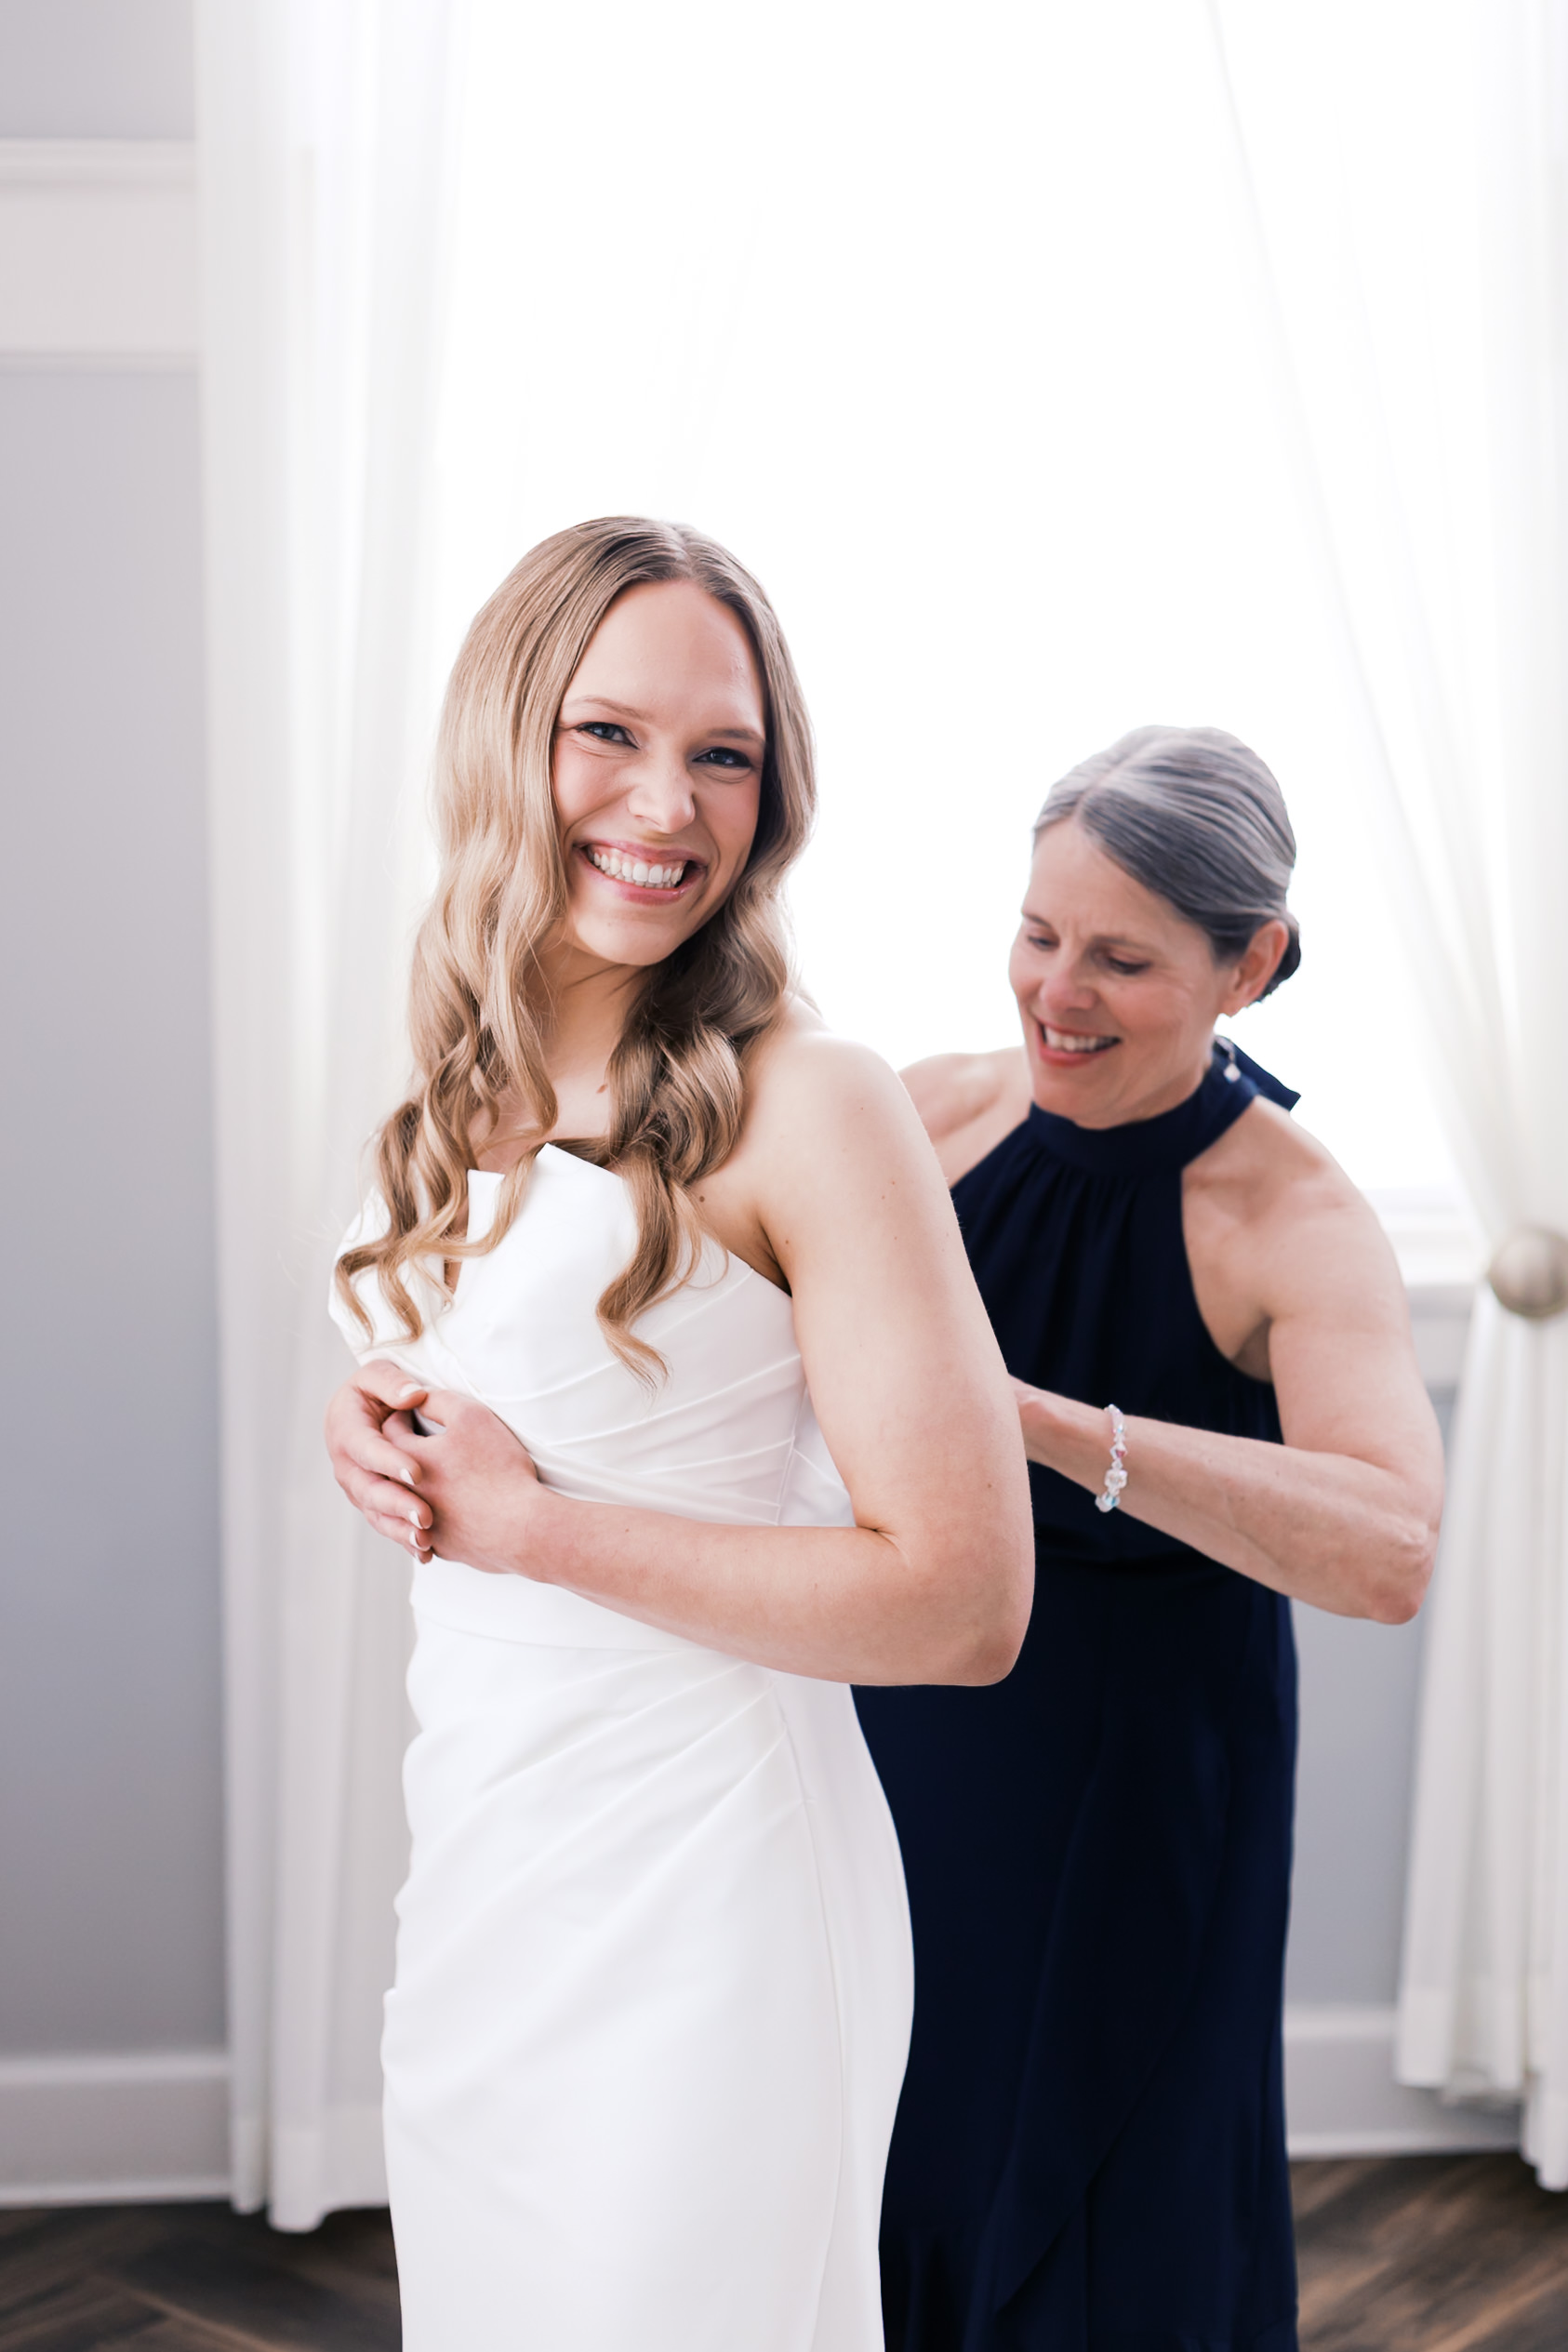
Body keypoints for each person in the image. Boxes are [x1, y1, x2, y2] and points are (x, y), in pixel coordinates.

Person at [322, 517, 1033, 2352]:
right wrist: (388, 1433)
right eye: (608, 733)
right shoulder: (456, 1080)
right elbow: (509, 1390)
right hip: (487, 1858)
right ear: (506, 739)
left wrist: (529, 1523)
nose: (666, 799)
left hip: (711, 1893)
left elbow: (963, 1604)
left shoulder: (815, 1102)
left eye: (723, 750)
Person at [854, 726, 1444, 2352]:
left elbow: (1389, 1546)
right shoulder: (932, 1112)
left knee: (1114, 2199)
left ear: (1246, 962)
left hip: (1141, 1771)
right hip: (902, 1718)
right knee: (891, 2140)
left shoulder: (1293, 1219)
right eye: (1037, 935)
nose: (1054, 990)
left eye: (1119, 956)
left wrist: (1033, 1420)